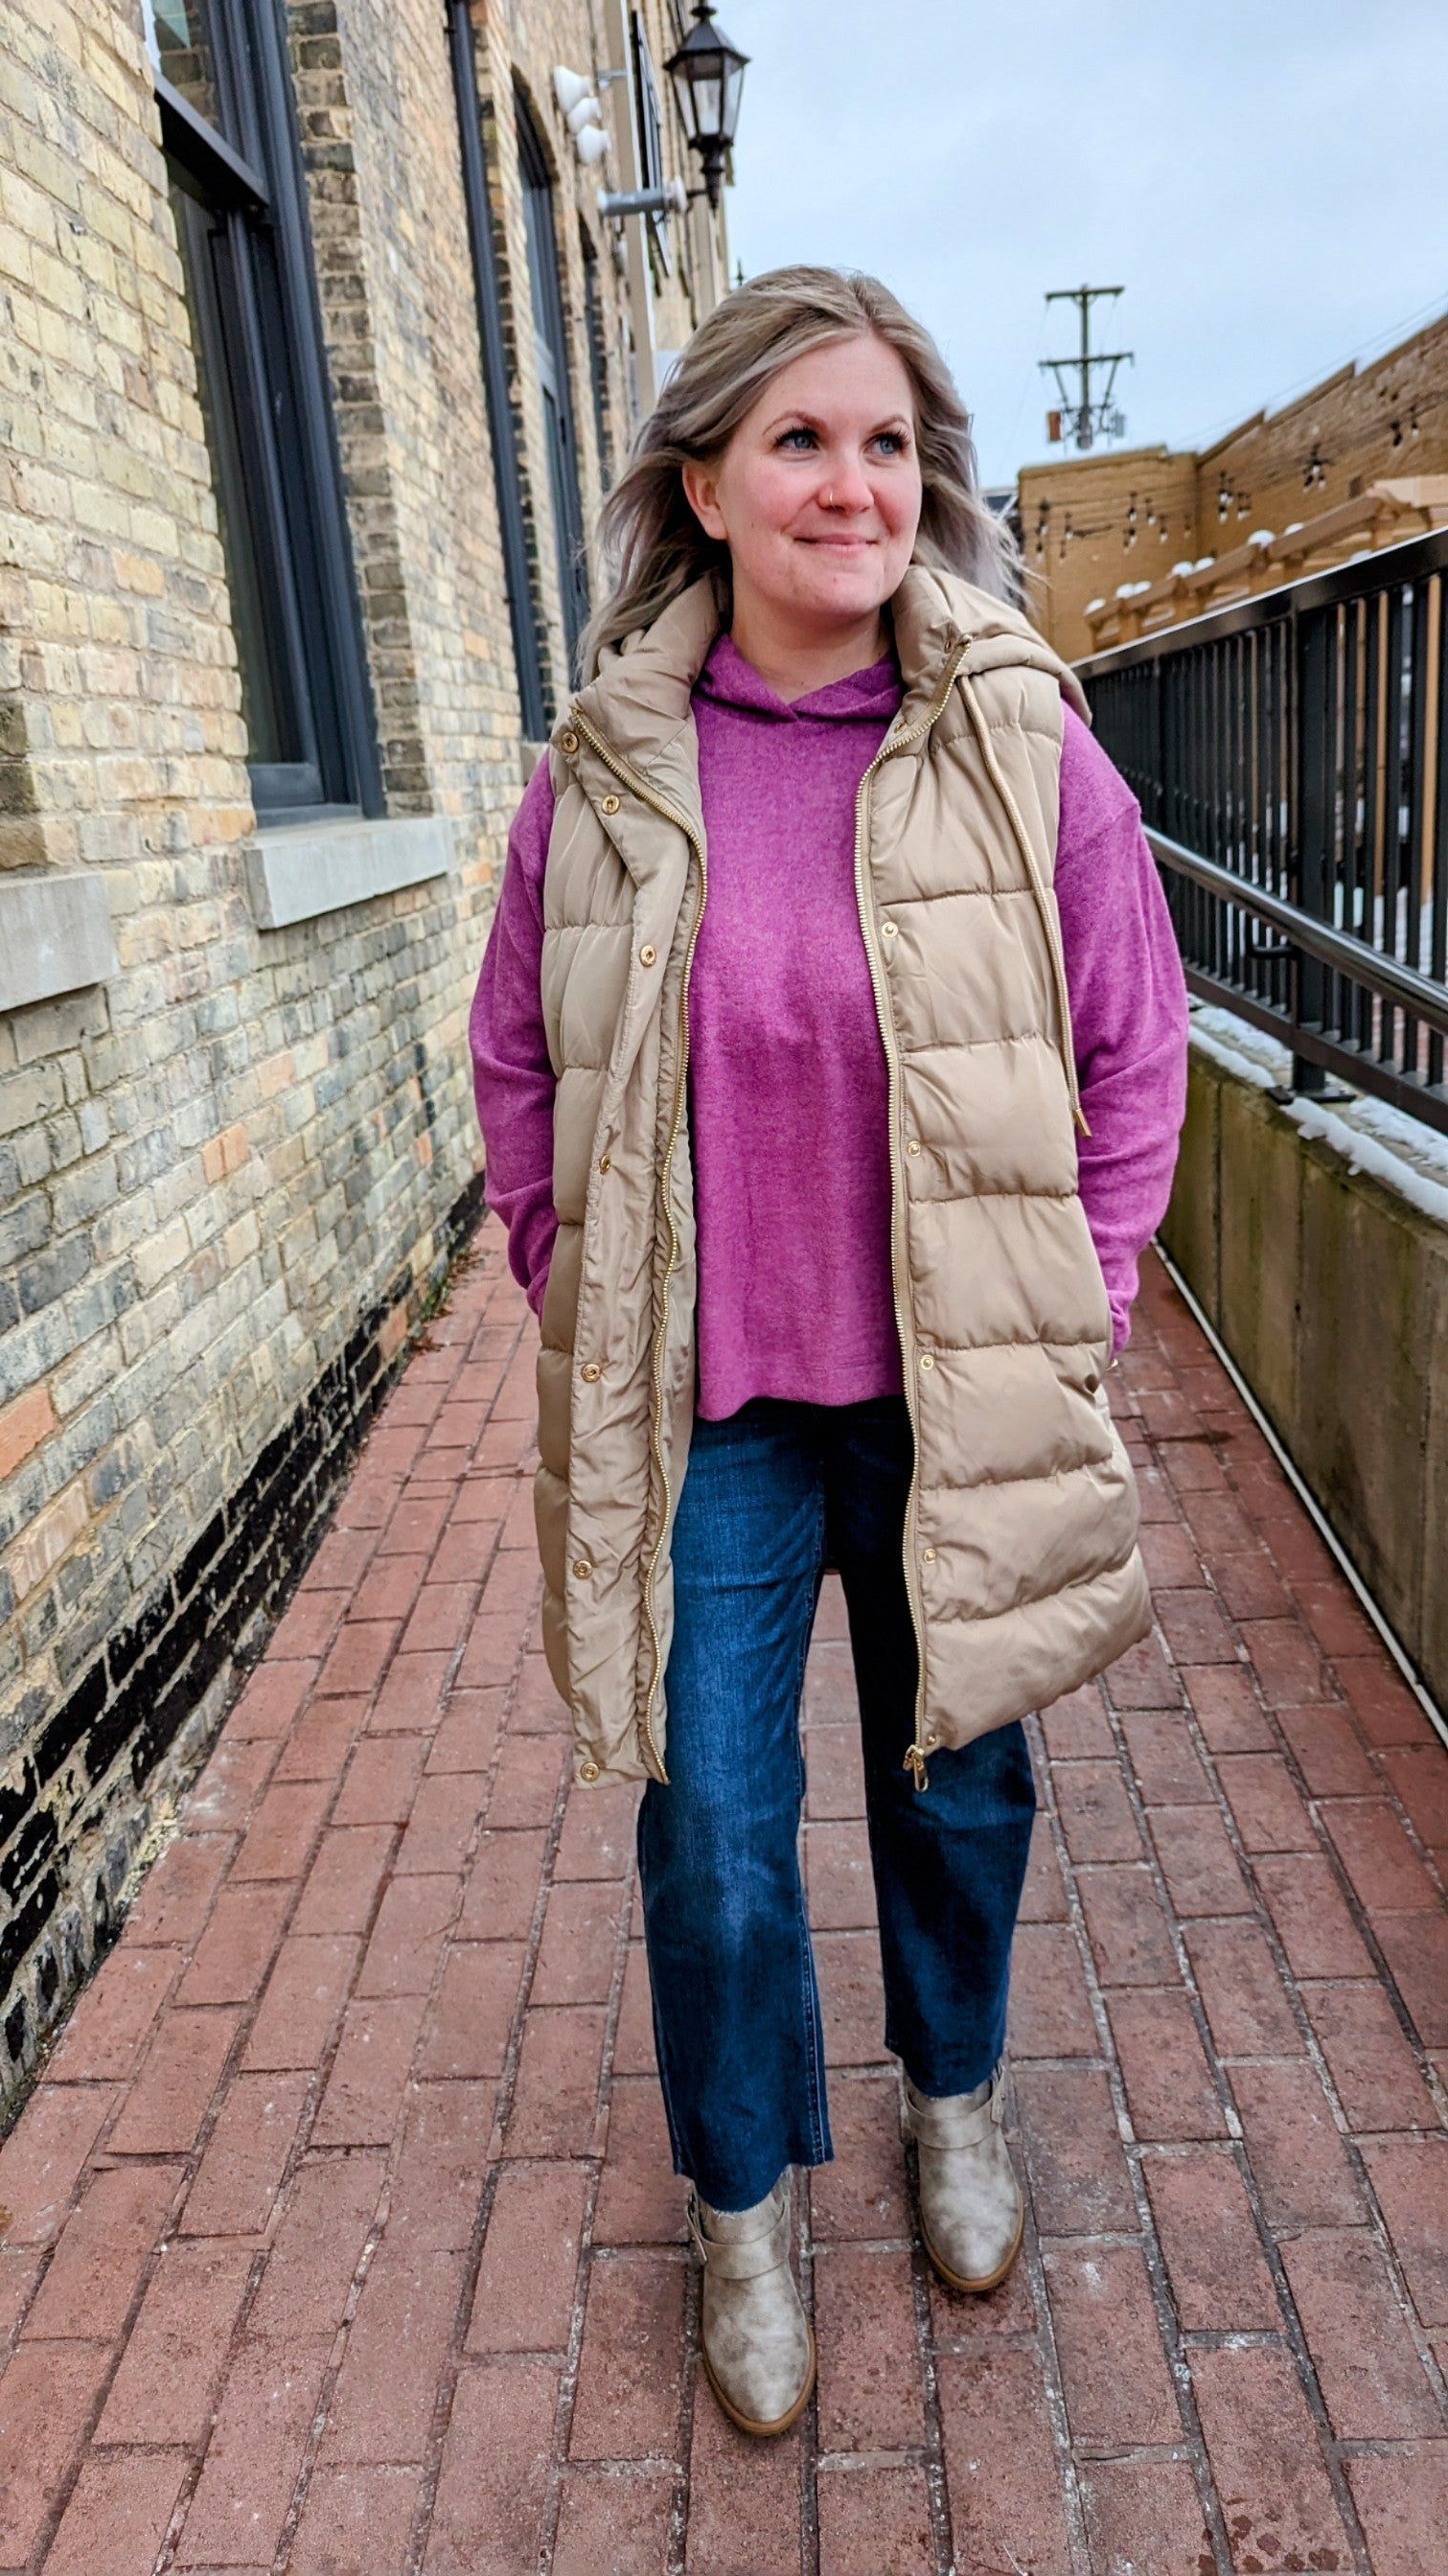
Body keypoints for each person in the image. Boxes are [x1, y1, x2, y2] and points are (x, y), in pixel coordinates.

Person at [471, 266, 1187, 2440]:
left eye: (887, 444)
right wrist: (566, 1273)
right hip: (713, 1412)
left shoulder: (1016, 739)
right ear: (704, 485)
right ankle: (741, 2209)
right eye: (800, 440)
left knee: (961, 1783)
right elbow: (518, 1055)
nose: (852, 485)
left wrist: (1085, 1305)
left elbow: (1132, 1049)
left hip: (955, 1395)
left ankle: (952, 2098)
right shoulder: (605, 769)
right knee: (710, 1830)